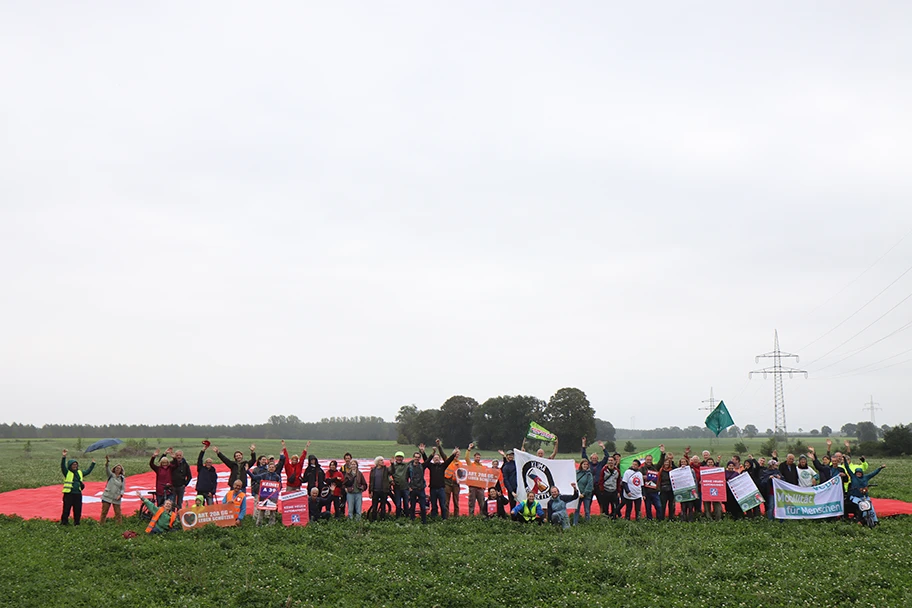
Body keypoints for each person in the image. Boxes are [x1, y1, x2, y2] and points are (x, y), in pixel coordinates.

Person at [422, 440, 457, 519]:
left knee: (443, 505)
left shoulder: (443, 466)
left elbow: (449, 460)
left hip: (441, 489)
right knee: (434, 505)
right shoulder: (430, 466)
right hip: (433, 489)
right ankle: (434, 519)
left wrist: (454, 454)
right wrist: (423, 452)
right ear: (433, 459)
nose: (436, 459)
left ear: (440, 459)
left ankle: (444, 519)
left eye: (437, 458)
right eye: (435, 458)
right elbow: (426, 460)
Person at [581, 437, 611, 515]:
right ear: (590, 459)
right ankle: (587, 515)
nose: (594, 459)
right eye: (593, 458)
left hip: (598, 486)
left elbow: (607, 457)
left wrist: (603, 447)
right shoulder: (588, 464)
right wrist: (583, 444)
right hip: (589, 486)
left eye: (595, 458)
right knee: (588, 502)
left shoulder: (600, 464)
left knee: (601, 501)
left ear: (597, 458)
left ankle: (601, 515)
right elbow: (584, 456)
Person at [248, 462, 282, 526]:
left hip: (273, 497)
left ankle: (271, 524)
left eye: (273, 467)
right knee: (262, 509)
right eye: (270, 467)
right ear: (268, 468)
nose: (271, 469)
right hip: (263, 496)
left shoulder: (277, 477)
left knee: (272, 510)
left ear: (275, 468)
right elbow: (254, 477)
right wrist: (247, 471)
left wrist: (276, 492)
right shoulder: (264, 475)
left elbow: (280, 485)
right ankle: (258, 524)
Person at [641, 446, 665, 520]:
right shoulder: (641, 469)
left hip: (655, 491)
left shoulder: (655, 467)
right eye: (647, 460)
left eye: (650, 460)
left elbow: (661, 462)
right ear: (645, 460)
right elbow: (638, 477)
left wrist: (663, 453)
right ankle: (649, 520)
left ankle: (659, 519)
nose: (649, 461)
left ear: (652, 460)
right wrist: (642, 477)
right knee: (648, 507)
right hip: (646, 491)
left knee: (659, 506)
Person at [100, 455, 125, 525]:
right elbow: (107, 468)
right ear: (114, 469)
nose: (117, 469)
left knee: (118, 513)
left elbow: (123, 488)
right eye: (116, 468)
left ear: (121, 470)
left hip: (116, 497)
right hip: (107, 496)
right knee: (104, 512)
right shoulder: (111, 475)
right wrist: (107, 462)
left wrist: (121, 495)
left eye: (119, 468)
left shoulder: (122, 478)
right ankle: (101, 524)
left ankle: (119, 525)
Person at [406, 449, 429, 524]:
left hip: (421, 489)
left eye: (418, 457)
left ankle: (424, 521)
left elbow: (428, 460)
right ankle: (412, 520)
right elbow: (406, 478)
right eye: (415, 457)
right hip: (413, 489)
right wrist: (408, 487)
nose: (417, 458)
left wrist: (423, 452)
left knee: (422, 506)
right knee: (412, 506)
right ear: (413, 457)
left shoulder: (422, 466)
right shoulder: (409, 467)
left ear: (420, 458)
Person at [367, 456, 393, 521]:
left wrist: (392, 464)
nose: (382, 462)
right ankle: (373, 519)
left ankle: (382, 519)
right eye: (381, 460)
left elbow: (392, 471)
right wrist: (370, 491)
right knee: (374, 506)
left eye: (382, 460)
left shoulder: (385, 469)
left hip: (383, 491)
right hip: (375, 491)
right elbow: (371, 482)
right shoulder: (373, 470)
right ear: (377, 462)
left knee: (383, 506)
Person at [465, 443, 487, 516]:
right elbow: (466, 458)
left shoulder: (483, 467)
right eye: (476, 457)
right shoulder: (471, 465)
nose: (478, 458)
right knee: (471, 503)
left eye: (479, 457)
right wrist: (469, 449)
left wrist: (484, 486)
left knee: (482, 503)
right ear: (474, 458)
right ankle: (471, 516)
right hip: (473, 487)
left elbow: (484, 477)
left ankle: (482, 516)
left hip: (480, 488)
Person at [443, 441, 463, 518]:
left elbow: (463, 474)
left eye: (458, 454)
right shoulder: (447, 460)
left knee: (456, 501)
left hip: (456, 484)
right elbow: (442, 454)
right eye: (455, 454)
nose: (456, 455)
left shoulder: (460, 463)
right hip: (447, 483)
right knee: (446, 501)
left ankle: (456, 516)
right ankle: (446, 517)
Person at [389, 451, 411, 519]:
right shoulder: (392, 466)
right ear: (395, 458)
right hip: (397, 488)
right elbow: (386, 474)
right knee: (398, 504)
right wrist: (391, 481)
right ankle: (398, 518)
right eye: (398, 457)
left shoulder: (406, 465)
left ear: (403, 458)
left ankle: (407, 518)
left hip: (405, 487)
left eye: (400, 457)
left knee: (406, 504)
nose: (399, 459)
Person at [702, 457, 723, 521]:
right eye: (709, 462)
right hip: (706, 490)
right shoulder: (703, 470)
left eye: (711, 462)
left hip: (716, 490)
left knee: (717, 505)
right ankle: (709, 518)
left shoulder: (718, 470)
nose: (710, 463)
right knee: (706, 505)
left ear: (713, 463)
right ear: (706, 463)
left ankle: (718, 518)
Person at [573, 459, 594, 525]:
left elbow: (589, 485)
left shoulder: (589, 474)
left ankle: (587, 524)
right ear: (581, 465)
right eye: (584, 464)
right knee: (576, 510)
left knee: (587, 510)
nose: (585, 466)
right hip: (578, 495)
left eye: (586, 464)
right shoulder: (577, 473)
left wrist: (584, 493)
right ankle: (575, 523)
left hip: (586, 495)